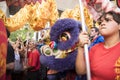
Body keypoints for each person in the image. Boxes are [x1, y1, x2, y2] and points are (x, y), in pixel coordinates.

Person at [76, 11, 120, 80]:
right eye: (100, 22)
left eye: (108, 20)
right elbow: (81, 71)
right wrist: (80, 47)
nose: (102, 23)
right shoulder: (95, 48)